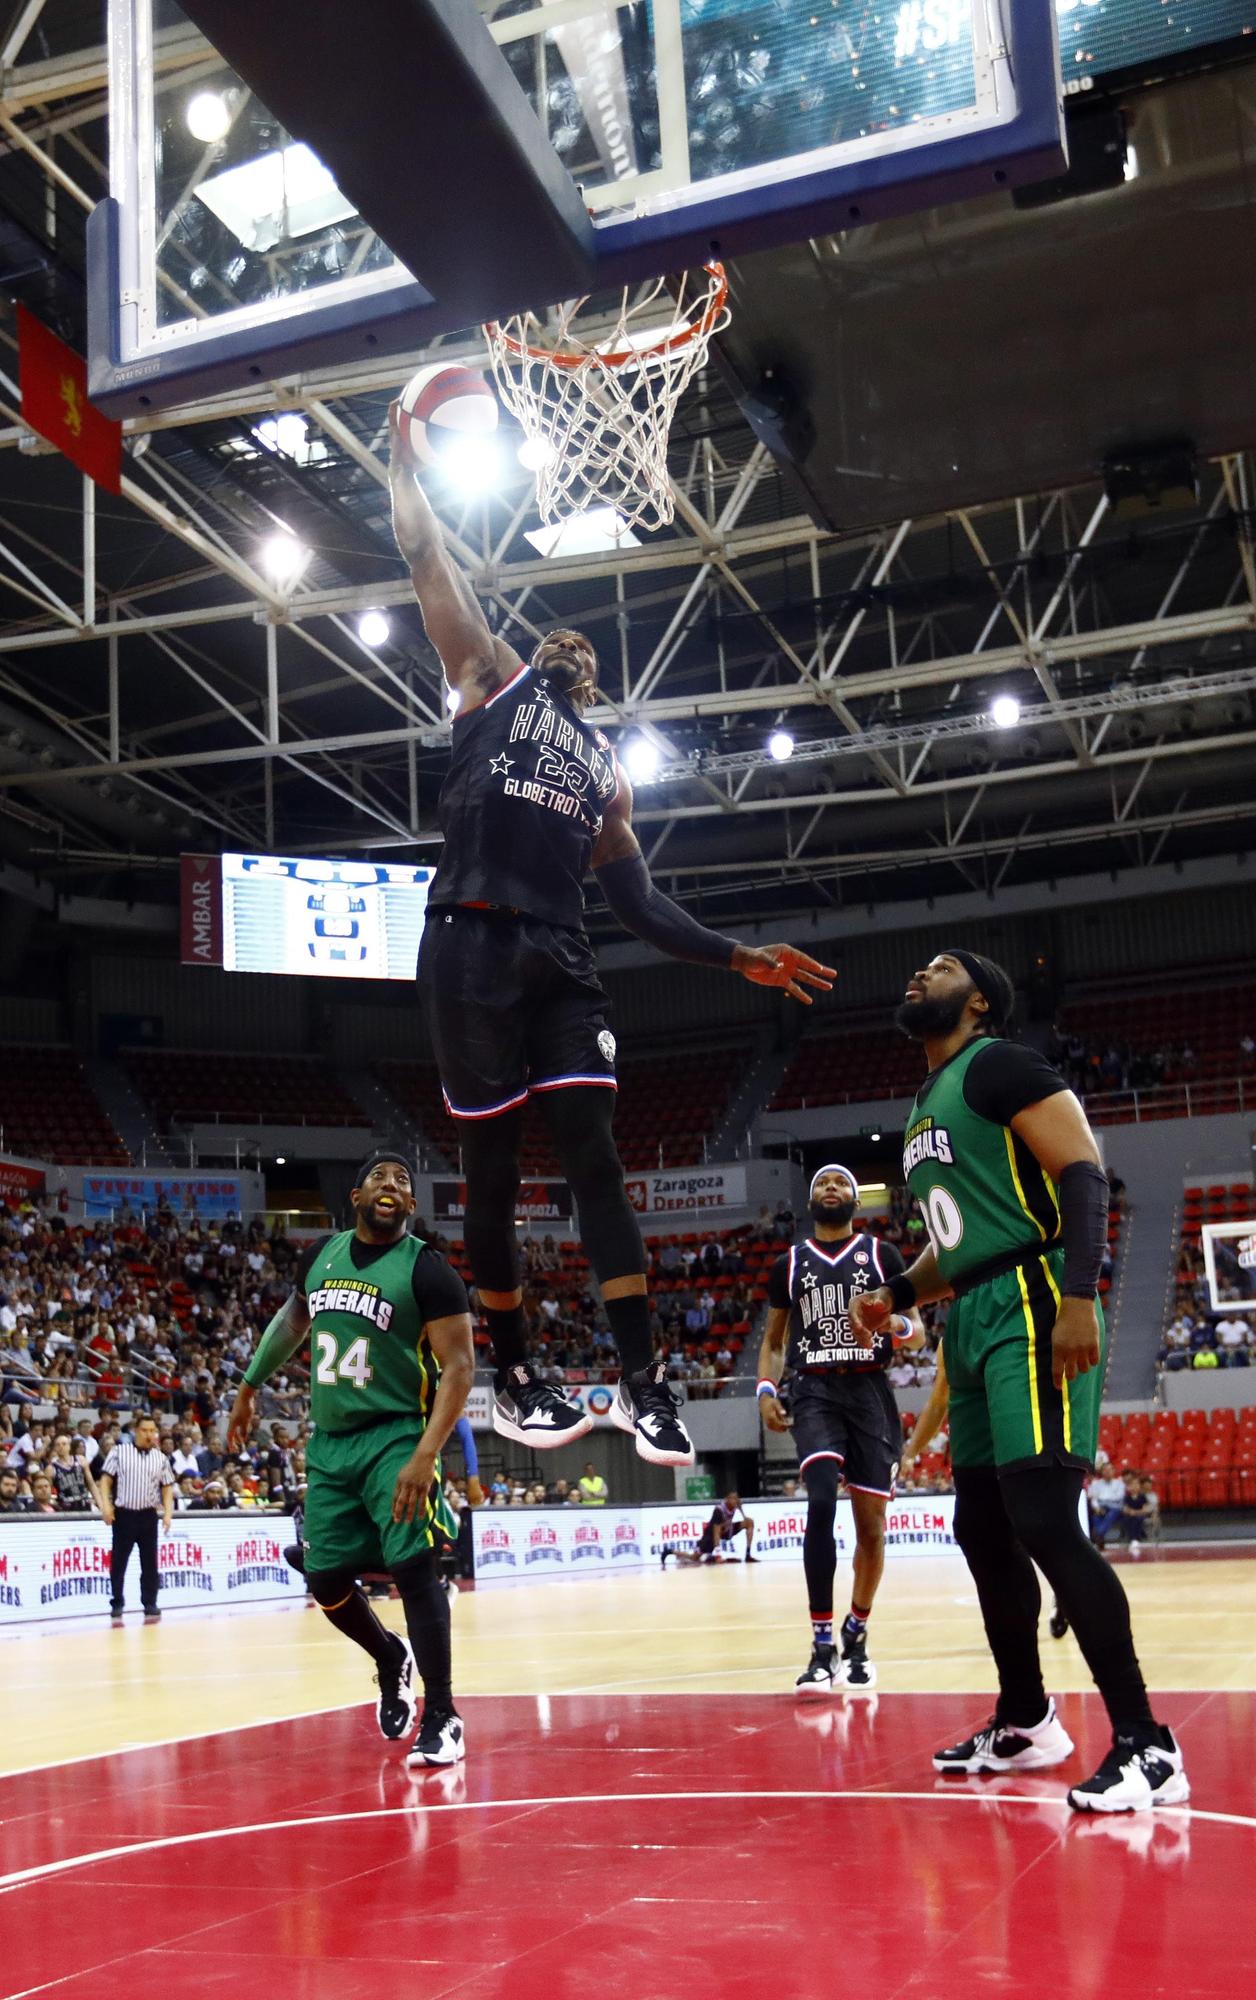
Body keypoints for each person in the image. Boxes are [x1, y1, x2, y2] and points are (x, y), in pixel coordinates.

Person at [388, 412, 835, 1471]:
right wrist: (404, 463)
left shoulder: (607, 773)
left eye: (588, 650)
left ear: (601, 686)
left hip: (562, 962)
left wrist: (738, 954)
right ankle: (520, 1378)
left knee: (598, 1164)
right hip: (469, 948)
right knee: (489, 1177)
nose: (574, 648)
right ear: (538, 655)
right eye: (562, 640)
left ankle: (647, 1388)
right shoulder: (490, 678)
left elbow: (641, 908)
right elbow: (423, 551)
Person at [852, 949, 1187, 1814]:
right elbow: (957, 1244)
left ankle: (1148, 1744)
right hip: (971, 1310)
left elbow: (1081, 1169)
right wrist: (894, 1292)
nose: (917, 974)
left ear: (981, 1000)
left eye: (940, 968)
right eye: (915, 967)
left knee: (1040, 1517)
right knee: (981, 1529)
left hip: (1035, 1297)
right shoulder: (925, 1100)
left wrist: (1081, 1291)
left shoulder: (999, 1062)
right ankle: (1027, 1718)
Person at [227, 1150, 475, 1769]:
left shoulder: (429, 1271)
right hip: (331, 1443)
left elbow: (461, 1369)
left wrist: (426, 1454)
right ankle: (390, 1657)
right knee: (325, 1579)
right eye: (378, 1178)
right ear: (357, 1197)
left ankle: (443, 1714)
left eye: (402, 1181)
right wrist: (250, 1386)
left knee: (415, 1566)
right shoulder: (320, 1257)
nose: (391, 1184)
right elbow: (292, 1323)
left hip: (395, 1432)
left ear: (411, 1206)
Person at [756, 1165, 923, 1694]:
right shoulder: (789, 1264)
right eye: (821, 1184)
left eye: (841, 1183)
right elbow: (775, 1341)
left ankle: (857, 1632)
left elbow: (916, 1335)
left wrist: (889, 1321)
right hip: (815, 1392)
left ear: (856, 1199)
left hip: (870, 1393)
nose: (831, 1188)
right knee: (822, 1501)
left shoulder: (883, 1257)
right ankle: (821, 1645)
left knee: (871, 1527)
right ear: (811, 1202)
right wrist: (764, 1389)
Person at [99, 1414, 176, 1623]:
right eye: (145, 1430)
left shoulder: (160, 1457)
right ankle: (117, 1602)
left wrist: (168, 1513)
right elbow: (105, 1480)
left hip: (148, 1515)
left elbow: (167, 1487)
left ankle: (150, 1603)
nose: (149, 1434)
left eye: (153, 1431)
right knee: (119, 1562)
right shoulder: (119, 1451)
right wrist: (106, 1505)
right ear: (136, 1431)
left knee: (150, 1563)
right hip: (124, 1514)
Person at [661, 1492, 757, 1566]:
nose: (736, 1501)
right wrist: (719, 1555)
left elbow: (739, 1505)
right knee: (694, 1557)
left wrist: (744, 1515)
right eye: (733, 1499)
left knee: (749, 1522)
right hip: (710, 1536)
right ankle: (670, 1551)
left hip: (727, 1530)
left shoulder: (735, 1504)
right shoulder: (719, 1511)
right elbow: (716, 1533)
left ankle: (748, 1554)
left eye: (737, 1499)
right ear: (727, 1500)